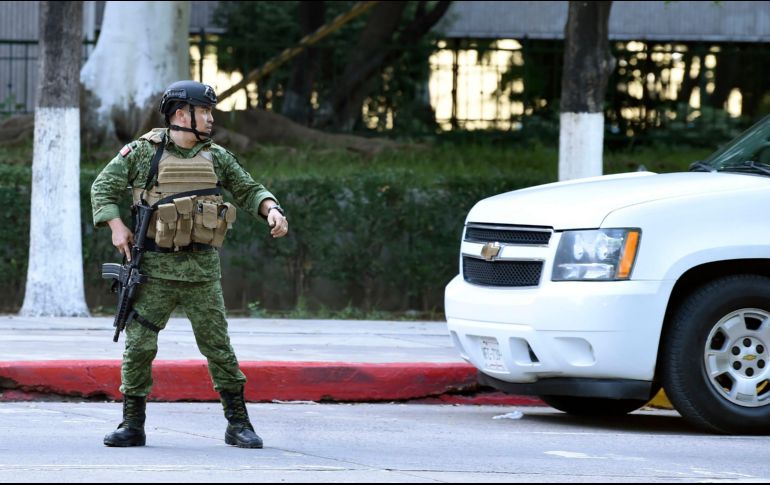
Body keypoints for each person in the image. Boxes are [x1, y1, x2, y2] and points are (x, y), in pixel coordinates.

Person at [90, 80, 288, 449]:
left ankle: (238, 423)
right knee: (140, 347)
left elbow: (248, 189)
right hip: (153, 273)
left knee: (219, 349)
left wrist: (272, 209)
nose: (211, 119)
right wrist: (117, 227)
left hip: (201, 273)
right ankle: (132, 423)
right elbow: (102, 187)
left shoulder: (217, 156)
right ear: (182, 114)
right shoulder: (142, 153)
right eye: (206, 111)